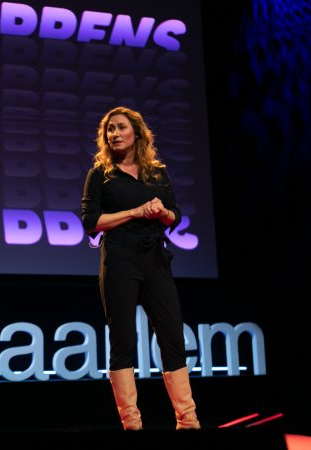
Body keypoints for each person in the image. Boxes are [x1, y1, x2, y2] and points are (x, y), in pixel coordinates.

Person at [80, 106, 200, 431]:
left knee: (172, 337)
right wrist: (135, 211)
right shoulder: (101, 175)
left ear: (137, 133)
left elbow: (175, 215)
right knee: (123, 341)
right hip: (119, 259)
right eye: (109, 130)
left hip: (155, 260)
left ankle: (188, 421)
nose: (114, 134)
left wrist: (161, 212)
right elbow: (91, 223)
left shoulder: (157, 173)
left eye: (120, 128)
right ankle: (131, 424)